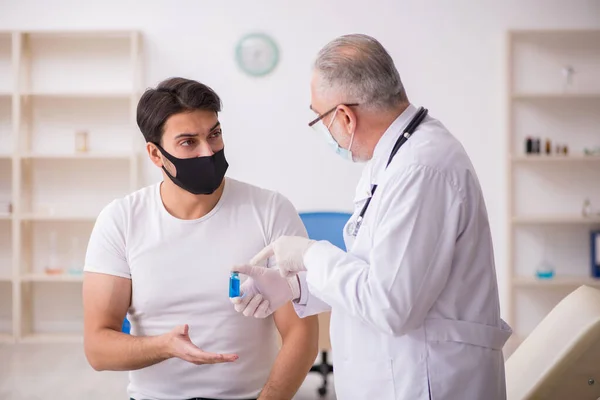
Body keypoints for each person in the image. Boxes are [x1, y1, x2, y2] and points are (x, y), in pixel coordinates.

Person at [230, 34, 512, 399]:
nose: (325, 132)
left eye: (319, 119)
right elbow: (379, 273)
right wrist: (294, 287)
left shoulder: (421, 169)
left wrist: (311, 254)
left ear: (344, 116)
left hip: (427, 381)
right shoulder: (397, 159)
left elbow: (391, 305)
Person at [82, 77, 319, 400]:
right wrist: (164, 346)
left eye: (214, 135)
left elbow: (301, 332)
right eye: (188, 142)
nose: (208, 151)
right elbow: (98, 348)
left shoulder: (270, 210)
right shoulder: (121, 220)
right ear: (155, 154)